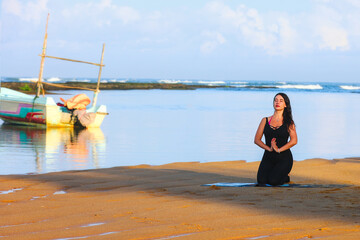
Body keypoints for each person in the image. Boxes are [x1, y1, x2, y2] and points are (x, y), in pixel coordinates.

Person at [254, 93, 297, 186]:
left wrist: (278, 149)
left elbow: (294, 141)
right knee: (261, 182)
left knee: (273, 182)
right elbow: (257, 139)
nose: (277, 102)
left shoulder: (289, 122)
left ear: (285, 105)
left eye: (281, 101)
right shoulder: (265, 120)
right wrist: (269, 148)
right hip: (268, 156)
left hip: (284, 157)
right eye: (275, 100)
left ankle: (285, 176)